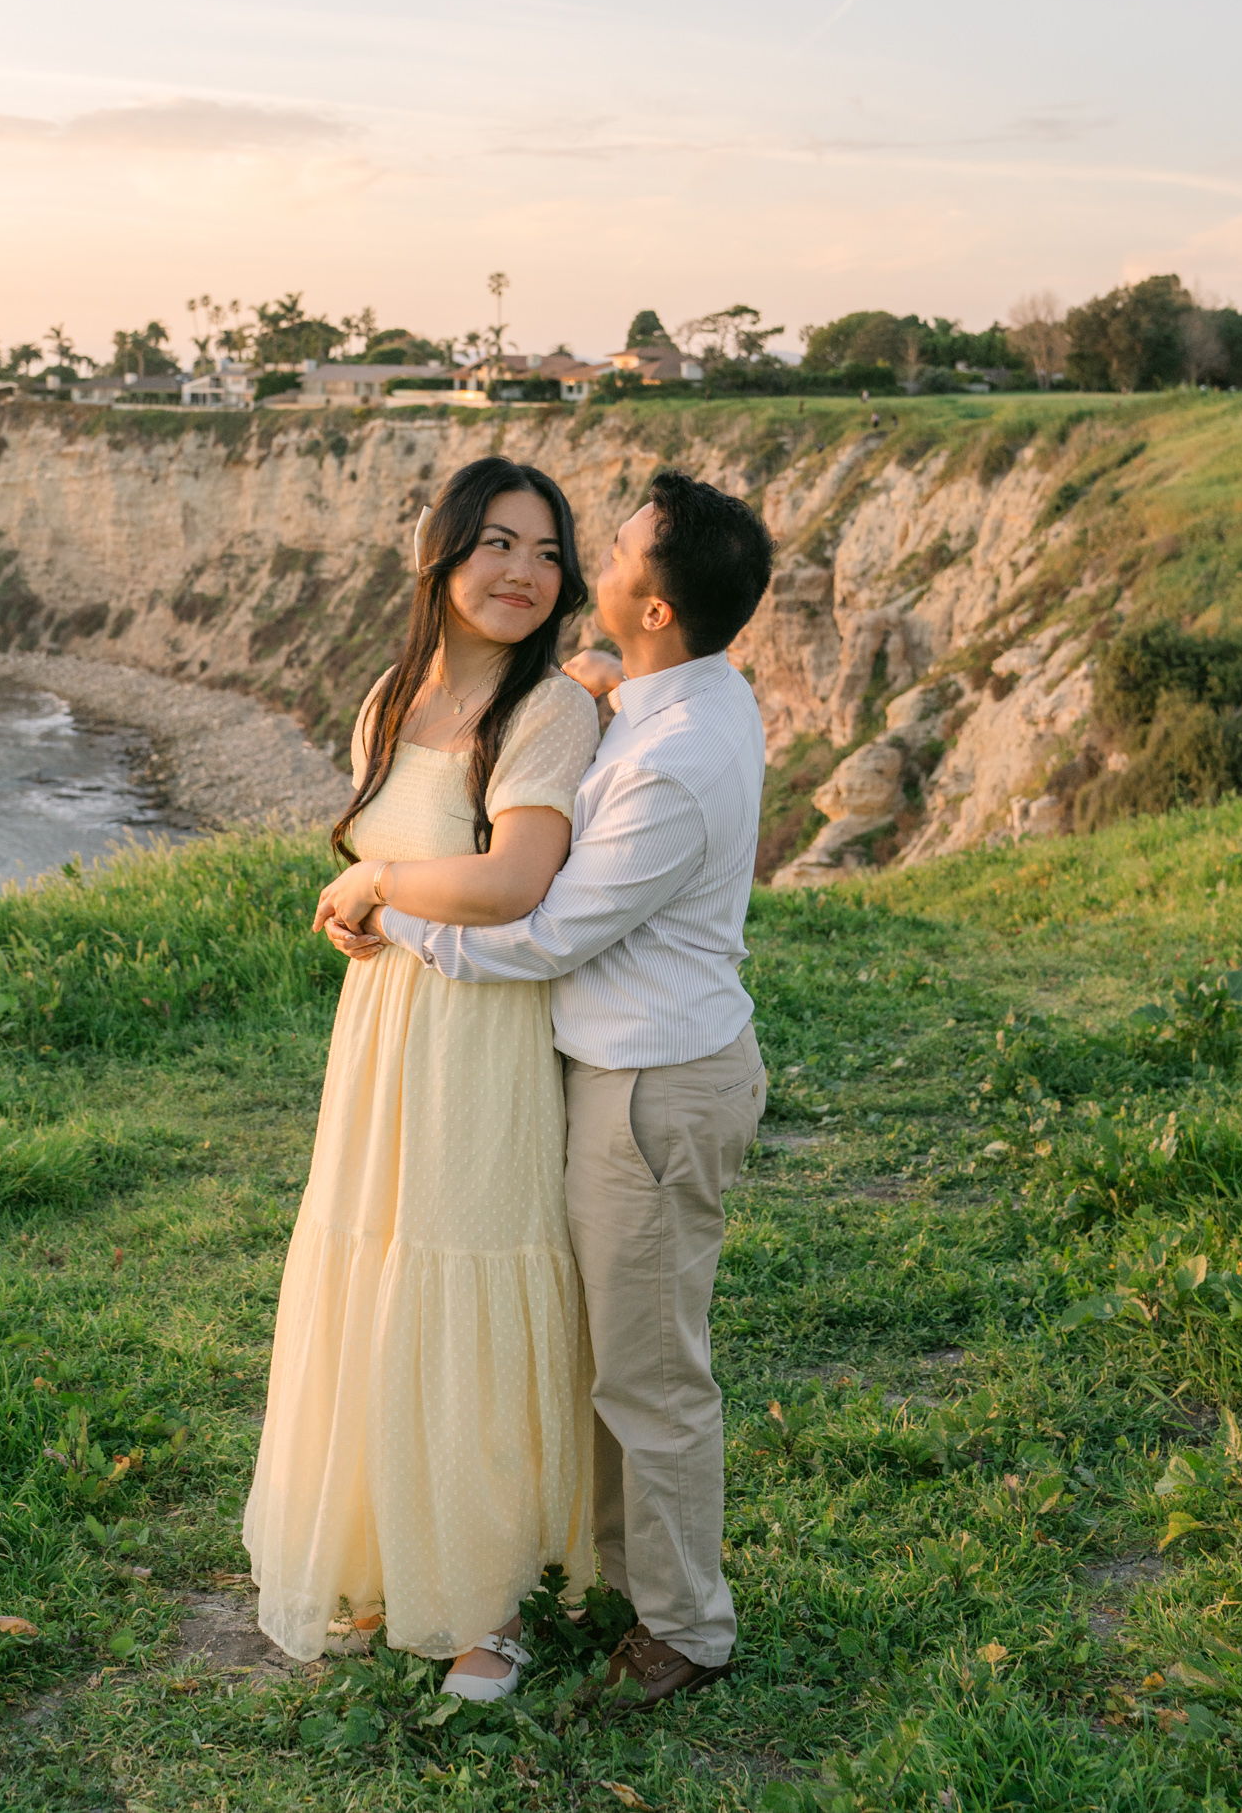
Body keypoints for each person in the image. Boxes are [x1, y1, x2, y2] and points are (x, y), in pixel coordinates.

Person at [334, 469, 775, 1704]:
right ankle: (609, 1579)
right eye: (505, 547)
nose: (576, 569)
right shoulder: (665, 692)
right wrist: (584, 677)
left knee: (645, 1370)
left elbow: (540, 930)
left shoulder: (673, 758)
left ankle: (684, 1630)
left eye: (606, 550)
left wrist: (380, 898)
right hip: (626, 1071)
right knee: (607, 1355)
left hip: (651, 1086)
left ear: (650, 605)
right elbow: (579, 687)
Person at [243, 455, 603, 1699]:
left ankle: (488, 1601)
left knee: (464, 1272)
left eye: (548, 554)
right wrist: (354, 912)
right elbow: (383, 867)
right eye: (499, 543)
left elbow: (511, 883)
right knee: (375, 1270)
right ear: (440, 553)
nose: (523, 573)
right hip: (382, 1026)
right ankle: (394, 1549)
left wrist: (378, 888)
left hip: (482, 1035)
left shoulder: (551, 711)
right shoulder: (389, 696)